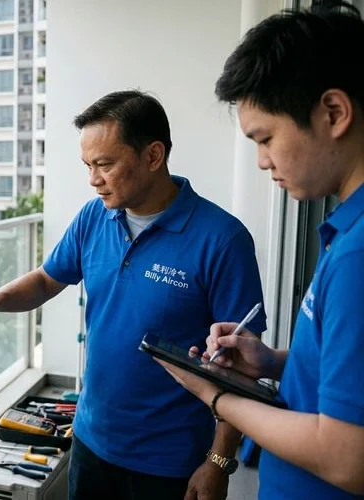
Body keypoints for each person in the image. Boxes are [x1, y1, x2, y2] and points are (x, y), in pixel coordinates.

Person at [0, 90, 267, 500]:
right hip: (91, 443)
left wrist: (218, 461)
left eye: (105, 165)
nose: (93, 179)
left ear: (153, 155)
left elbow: (241, 367)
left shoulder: (222, 239)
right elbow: (46, 279)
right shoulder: (95, 216)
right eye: (88, 165)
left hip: (171, 461)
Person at [154, 3, 364, 499]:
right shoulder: (347, 231)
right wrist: (272, 362)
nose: (262, 162)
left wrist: (216, 396)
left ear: (334, 113)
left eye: (265, 138)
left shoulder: (358, 256)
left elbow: (346, 458)